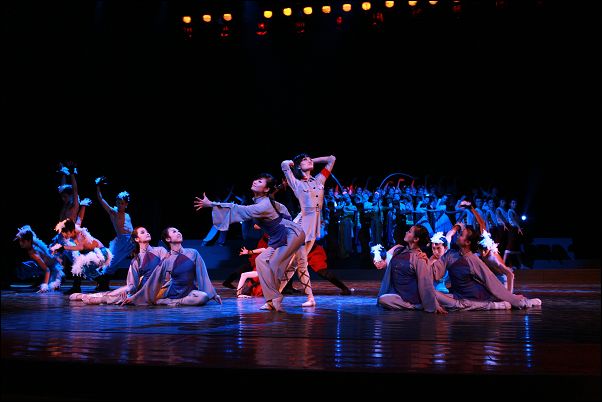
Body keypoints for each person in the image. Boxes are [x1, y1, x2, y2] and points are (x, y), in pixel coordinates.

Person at [195, 173, 307, 311]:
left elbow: (238, 209)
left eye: (260, 181)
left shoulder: (263, 205)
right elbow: (280, 207)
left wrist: (211, 204)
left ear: (266, 189)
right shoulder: (264, 201)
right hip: (280, 236)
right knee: (261, 261)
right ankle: (272, 299)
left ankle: (275, 298)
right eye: (256, 179)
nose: (255, 181)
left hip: (291, 234)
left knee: (272, 264)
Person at [429, 224, 541, 309]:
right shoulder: (450, 254)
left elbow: (491, 281)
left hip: (475, 297)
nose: (458, 235)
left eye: (461, 235)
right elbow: (435, 273)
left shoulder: (473, 260)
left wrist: (512, 298)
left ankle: (522, 302)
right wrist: (429, 261)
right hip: (458, 294)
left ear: (467, 242)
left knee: (464, 304)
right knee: (430, 293)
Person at [278, 154, 336, 306]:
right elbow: (284, 164)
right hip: (301, 226)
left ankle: (274, 296)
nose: (309, 160)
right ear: (298, 166)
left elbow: (331, 159)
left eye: (310, 159)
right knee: (302, 263)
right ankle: (310, 298)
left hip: (314, 225)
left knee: (295, 264)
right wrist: (295, 162)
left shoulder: (319, 180)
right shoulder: (296, 183)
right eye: (305, 160)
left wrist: (310, 161)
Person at [70, 226, 169, 304]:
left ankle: (95, 298)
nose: (147, 233)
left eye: (147, 232)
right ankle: (84, 296)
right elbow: (132, 285)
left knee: (114, 297)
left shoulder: (160, 250)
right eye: (143, 232)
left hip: (155, 289)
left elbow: (167, 270)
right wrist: (128, 293)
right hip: (141, 290)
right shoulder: (136, 260)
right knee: (115, 294)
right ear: (137, 239)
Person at [122, 227, 220, 306]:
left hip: (189, 291)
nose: (178, 233)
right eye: (174, 231)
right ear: (168, 239)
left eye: (178, 231)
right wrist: (135, 297)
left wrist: (213, 294)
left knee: (203, 297)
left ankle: (168, 302)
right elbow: (153, 280)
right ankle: (172, 301)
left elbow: (203, 274)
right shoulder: (166, 259)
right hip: (173, 292)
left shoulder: (193, 253)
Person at [373, 225, 447, 314]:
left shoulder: (419, 258)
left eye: (409, 231)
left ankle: (416, 306)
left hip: (411, 296)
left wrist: (433, 305)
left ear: (416, 239)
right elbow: (385, 259)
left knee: (383, 299)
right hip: (398, 292)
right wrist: (378, 258)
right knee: (383, 299)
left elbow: (425, 283)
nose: (406, 232)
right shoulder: (399, 250)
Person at [51, 218, 113, 295]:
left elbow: (80, 247)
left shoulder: (80, 235)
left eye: (66, 233)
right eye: (63, 233)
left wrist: (63, 247)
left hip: (101, 253)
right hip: (93, 253)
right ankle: (103, 282)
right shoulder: (74, 230)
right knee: (83, 267)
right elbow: (78, 220)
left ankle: (77, 287)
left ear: (71, 230)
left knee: (81, 265)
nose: (64, 235)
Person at [94, 176, 135, 291]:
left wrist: (134, 243)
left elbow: (131, 229)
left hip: (130, 241)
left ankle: (140, 280)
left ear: (126, 204)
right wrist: (98, 186)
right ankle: (103, 282)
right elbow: (101, 200)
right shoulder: (113, 212)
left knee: (136, 259)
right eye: (118, 202)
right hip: (121, 241)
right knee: (111, 262)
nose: (120, 204)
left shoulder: (127, 215)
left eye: (122, 203)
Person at [14, 225, 64, 292]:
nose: (20, 243)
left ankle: (55, 279)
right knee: (25, 265)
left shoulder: (33, 253)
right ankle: (41, 279)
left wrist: (44, 286)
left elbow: (47, 270)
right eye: (20, 241)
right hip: (48, 266)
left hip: (54, 270)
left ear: (29, 241)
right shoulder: (33, 242)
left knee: (51, 287)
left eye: (23, 241)